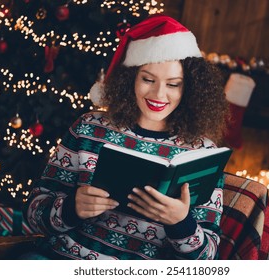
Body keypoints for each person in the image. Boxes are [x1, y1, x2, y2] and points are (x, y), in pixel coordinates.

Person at [24, 14, 229, 260]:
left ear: (190, 88)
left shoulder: (203, 152)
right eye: (148, 79)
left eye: (173, 84)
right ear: (129, 77)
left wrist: (180, 223)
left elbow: (208, 258)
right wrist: (70, 209)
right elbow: (34, 215)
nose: (158, 94)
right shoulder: (89, 128)